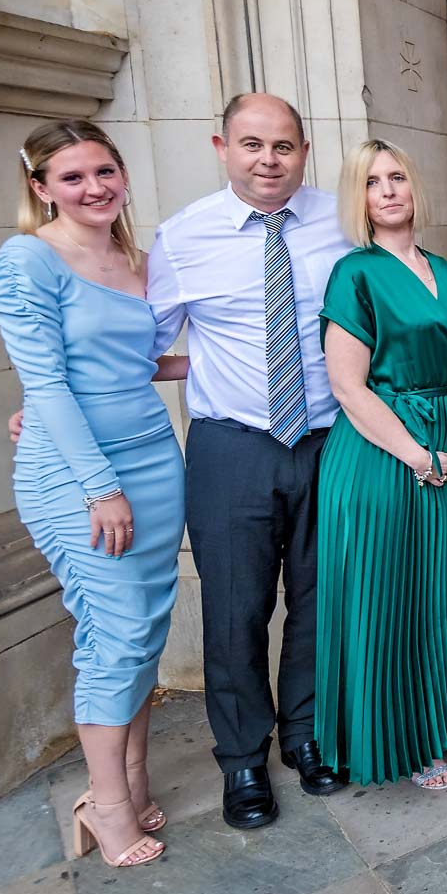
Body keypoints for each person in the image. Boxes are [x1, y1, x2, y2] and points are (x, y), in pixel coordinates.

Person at [147, 93, 353, 828]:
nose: (269, 160)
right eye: (252, 145)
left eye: (284, 146)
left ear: (305, 149)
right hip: (231, 447)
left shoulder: (341, 220)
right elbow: (140, 347)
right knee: (235, 610)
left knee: (322, 597)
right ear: (221, 147)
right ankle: (242, 759)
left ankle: (305, 733)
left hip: (332, 441)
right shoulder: (182, 239)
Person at [0, 120, 188, 866]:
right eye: (72, 178)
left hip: (154, 466)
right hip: (77, 479)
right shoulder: (28, 260)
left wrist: (229, 367)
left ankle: (130, 781)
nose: (94, 187)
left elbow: (132, 364)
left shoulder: (136, 258)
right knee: (116, 637)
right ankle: (104, 808)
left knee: (144, 634)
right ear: (40, 187)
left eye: (104, 171)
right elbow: (46, 382)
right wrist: (99, 487)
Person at [315, 140, 447, 789]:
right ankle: (417, 734)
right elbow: (349, 387)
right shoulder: (356, 274)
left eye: (397, 177)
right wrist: (415, 456)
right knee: (407, 593)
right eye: (373, 183)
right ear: (360, 199)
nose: (389, 191)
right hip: (388, 454)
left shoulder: (445, 270)